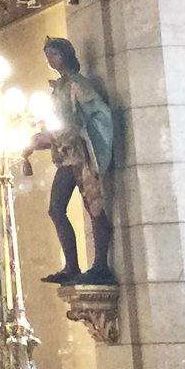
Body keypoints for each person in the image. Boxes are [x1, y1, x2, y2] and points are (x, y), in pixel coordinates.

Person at [28, 37, 119, 284]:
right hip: (66, 156)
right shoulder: (58, 89)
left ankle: (101, 265)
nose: (50, 60)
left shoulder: (79, 86)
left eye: (54, 54)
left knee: (95, 208)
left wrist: (80, 133)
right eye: (48, 56)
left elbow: (98, 115)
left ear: (66, 55)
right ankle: (72, 266)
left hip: (81, 154)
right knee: (56, 209)